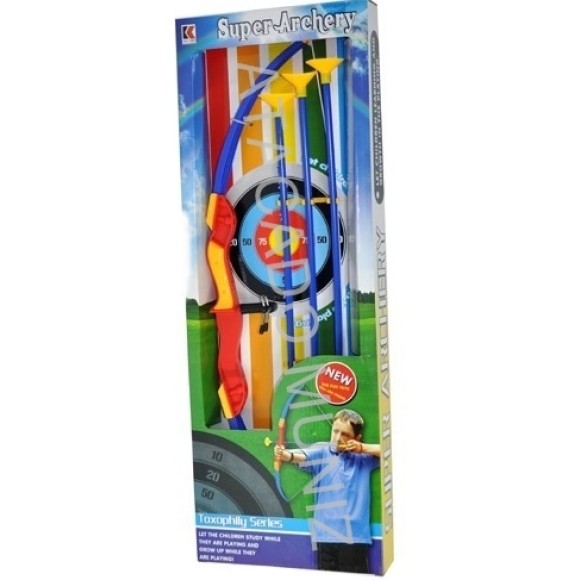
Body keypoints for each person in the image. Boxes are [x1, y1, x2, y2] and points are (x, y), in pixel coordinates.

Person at [274, 409, 380, 573]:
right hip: (325, 536)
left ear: (357, 438)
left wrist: (362, 448)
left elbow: (389, 450)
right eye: (335, 431)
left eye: (345, 434)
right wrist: (285, 455)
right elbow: (301, 456)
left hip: (355, 538)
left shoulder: (364, 459)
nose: (337, 438)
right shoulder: (323, 452)